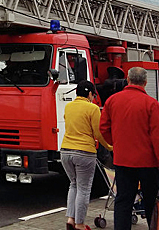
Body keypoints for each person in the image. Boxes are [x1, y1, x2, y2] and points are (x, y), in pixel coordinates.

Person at [100, 66, 159, 230]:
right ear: (145, 83)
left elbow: (103, 128)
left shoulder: (112, 101)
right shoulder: (151, 104)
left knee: (123, 201)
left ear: (128, 80)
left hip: (123, 160)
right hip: (148, 163)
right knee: (152, 202)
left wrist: (117, 143)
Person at [61, 80, 112, 230]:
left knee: (73, 185)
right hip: (84, 152)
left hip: (65, 151)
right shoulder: (93, 108)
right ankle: (80, 224)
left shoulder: (68, 107)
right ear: (90, 94)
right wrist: (109, 146)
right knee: (84, 188)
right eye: (92, 94)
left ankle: (70, 219)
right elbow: (98, 133)